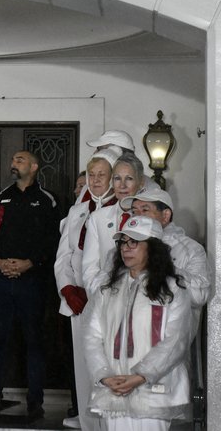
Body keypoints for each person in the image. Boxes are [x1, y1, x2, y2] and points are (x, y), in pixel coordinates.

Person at [84, 215, 191, 430]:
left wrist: (142, 375)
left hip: (154, 392)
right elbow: (92, 336)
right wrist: (104, 376)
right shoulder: (108, 289)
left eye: (134, 242)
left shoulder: (172, 290)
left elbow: (176, 340)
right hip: (114, 389)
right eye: (123, 242)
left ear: (153, 248)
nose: (126, 248)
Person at [0, 150, 60, 420]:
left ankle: (35, 403)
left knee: (34, 341)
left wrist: (30, 263)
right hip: (1, 280)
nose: (13, 163)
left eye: (20, 160)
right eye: (12, 160)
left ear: (34, 166)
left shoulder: (47, 199)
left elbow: (53, 241)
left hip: (32, 281)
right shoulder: (0, 198)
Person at [54, 147, 121, 430]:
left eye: (101, 175)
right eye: (91, 174)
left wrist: (94, 293)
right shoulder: (77, 211)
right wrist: (68, 289)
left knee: (107, 366)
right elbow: (64, 256)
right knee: (82, 368)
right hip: (77, 301)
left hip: (108, 301)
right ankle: (87, 423)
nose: (95, 180)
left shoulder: (122, 210)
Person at [120, 189, 209, 338]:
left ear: (166, 215)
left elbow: (200, 296)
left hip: (171, 342)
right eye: (134, 212)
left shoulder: (191, 249)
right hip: (125, 340)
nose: (138, 216)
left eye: (145, 210)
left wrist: (164, 266)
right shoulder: (125, 247)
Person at [81, 152, 146, 296]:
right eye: (117, 178)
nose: (122, 185)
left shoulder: (148, 219)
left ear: (140, 182)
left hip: (141, 297)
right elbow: (89, 269)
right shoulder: (97, 218)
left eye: (129, 178)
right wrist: (104, 297)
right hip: (104, 297)